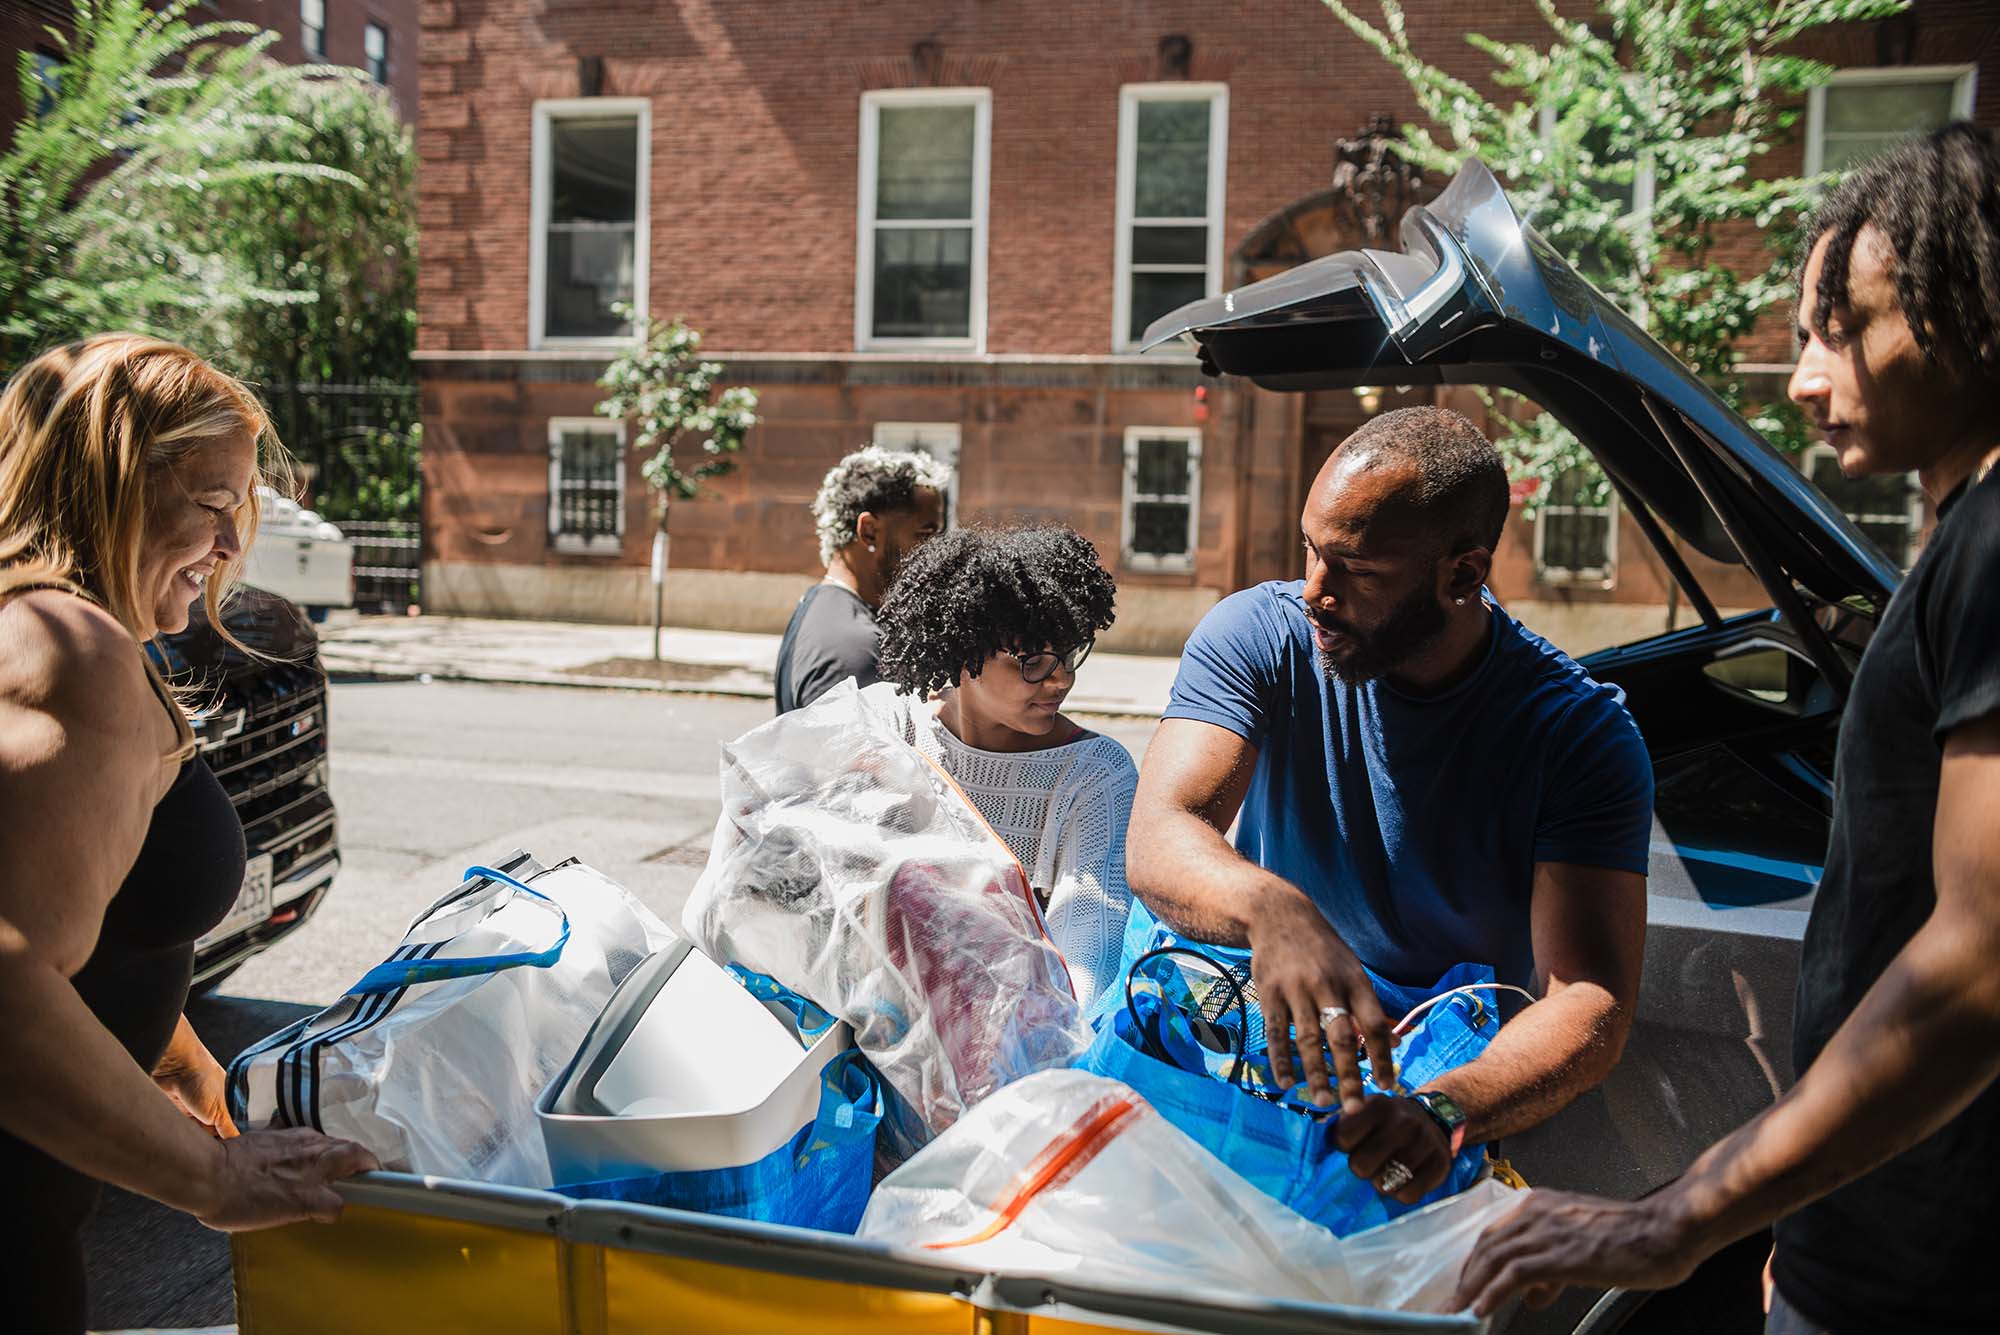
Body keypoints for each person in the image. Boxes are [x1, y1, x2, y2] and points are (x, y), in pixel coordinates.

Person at [1453, 123, 2000, 1331]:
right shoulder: (1958, 546)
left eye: (1838, 330)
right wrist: (1805, 1219)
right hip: (1871, 1229)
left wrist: (1672, 1217)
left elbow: (1976, 966)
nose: (1806, 380)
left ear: (1966, 307)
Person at [1126, 406, 1654, 1206]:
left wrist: (1446, 1109)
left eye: (1356, 570)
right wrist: (1272, 909)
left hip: (1437, 1078)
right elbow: (1164, 831)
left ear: (1462, 574)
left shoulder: (1578, 735)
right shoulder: (1257, 635)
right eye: (1309, 548)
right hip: (1265, 1034)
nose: (1313, 591)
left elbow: (1588, 998)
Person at [0, 336, 377, 1334]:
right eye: (209, 504)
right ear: (103, 484)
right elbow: (7, 978)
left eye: (240, 510)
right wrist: (214, 1180)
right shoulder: (67, 649)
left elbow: (69, 904)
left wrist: (172, 1054)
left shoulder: (53, 631)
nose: (230, 545)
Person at [866, 523, 1137, 1009]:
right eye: (1034, 661)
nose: (1062, 680)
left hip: (1018, 1048)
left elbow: (1085, 965)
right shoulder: (887, 723)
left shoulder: (1096, 776)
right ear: (963, 650)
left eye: (1071, 654)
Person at [774, 445, 949, 713]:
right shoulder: (851, 649)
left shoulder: (826, 605)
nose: (937, 551)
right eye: (925, 534)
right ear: (869, 531)